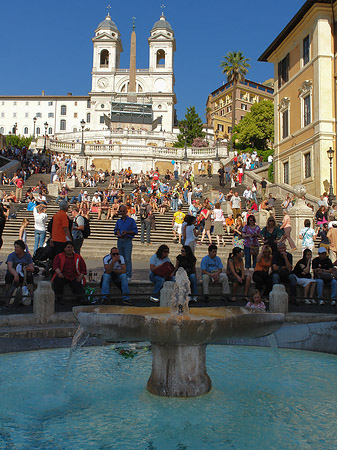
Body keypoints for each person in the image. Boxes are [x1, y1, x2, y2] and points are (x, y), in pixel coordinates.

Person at [5, 240, 34, 305]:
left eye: (17, 247)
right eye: (15, 247)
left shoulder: (27, 256)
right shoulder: (11, 255)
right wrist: (15, 274)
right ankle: (8, 296)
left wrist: (26, 268)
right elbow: (10, 267)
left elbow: (32, 268)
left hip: (23, 273)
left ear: (22, 249)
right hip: (13, 273)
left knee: (30, 276)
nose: (15, 249)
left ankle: (30, 296)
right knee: (9, 275)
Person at [114, 204, 138, 281]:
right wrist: (117, 232)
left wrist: (127, 232)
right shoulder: (118, 221)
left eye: (123, 211)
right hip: (120, 240)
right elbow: (115, 230)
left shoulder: (131, 221)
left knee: (127, 259)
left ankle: (128, 274)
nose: (122, 212)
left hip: (127, 240)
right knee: (120, 258)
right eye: (121, 211)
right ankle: (121, 273)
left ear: (126, 211)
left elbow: (135, 231)